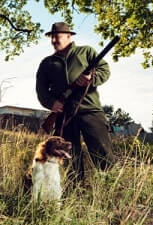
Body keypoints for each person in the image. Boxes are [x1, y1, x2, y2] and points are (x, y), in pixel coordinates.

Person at [36, 22, 115, 180]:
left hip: (90, 110)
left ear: (68, 36)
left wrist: (91, 78)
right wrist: (51, 103)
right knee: (68, 158)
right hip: (63, 115)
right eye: (52, 37)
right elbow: (41, 89)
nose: (53, 41)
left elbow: (104, 70)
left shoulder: (86, 52)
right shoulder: (47, 63)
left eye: (56, 37)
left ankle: (110, 187)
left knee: (102, 152)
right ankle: (74, 192)